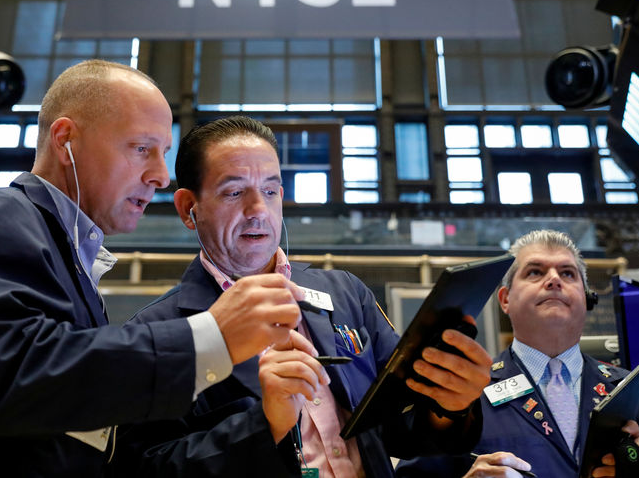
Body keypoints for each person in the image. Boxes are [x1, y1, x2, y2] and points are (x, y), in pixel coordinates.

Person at [0, 61, 304, 477]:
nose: (160, 175)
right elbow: (15, 378)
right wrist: (211, 337)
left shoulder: (67, 258)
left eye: (163, 152)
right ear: (65, 140)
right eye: (141, 149)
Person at [122, 115, 493, 477]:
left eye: (269, 191)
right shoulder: (158, 332)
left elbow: (399, 430)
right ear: (189, 208)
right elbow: (146, 466)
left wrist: (449, 404)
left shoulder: (347, 293)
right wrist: (265, 424)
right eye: (234, 192)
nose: (258, 211)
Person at [395, 229, 639, 478]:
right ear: (505, 299)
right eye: (535, 272)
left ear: (586, 296)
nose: (554, 280)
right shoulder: (457, 395)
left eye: (568, 273)